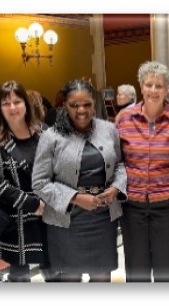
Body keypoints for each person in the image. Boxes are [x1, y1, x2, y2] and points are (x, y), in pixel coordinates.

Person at [33, 79, 127, 282]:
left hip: (103, 218)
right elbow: (39, 182)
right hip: (66, 221)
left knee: (101, 277)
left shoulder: (109, 129)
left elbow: (120, 164)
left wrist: (116, 188)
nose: (81, 110)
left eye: (87, 104)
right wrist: (75, 198)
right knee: (70, 278)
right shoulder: (51, 136)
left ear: (94, 104)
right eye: (74, 105)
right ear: (64, 106)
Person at [115, 61, 169, 282]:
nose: (153, 90)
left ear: (166, 89)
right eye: (148, 84)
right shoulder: (124, 118)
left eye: (159, 86)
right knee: (136, 267)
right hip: (133, 205)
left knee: (167, 269)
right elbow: (117, 161)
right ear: (141, 86)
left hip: (168, 205)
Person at [0, 81, 49, 282]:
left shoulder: (44, 132)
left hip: (49, 214)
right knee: (19, 275)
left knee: (56, 272)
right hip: (15, 217)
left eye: (17, 101)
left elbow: (60, 169)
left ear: (26, 103)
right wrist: (33, 204)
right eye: (6, 103)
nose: (12, 107)